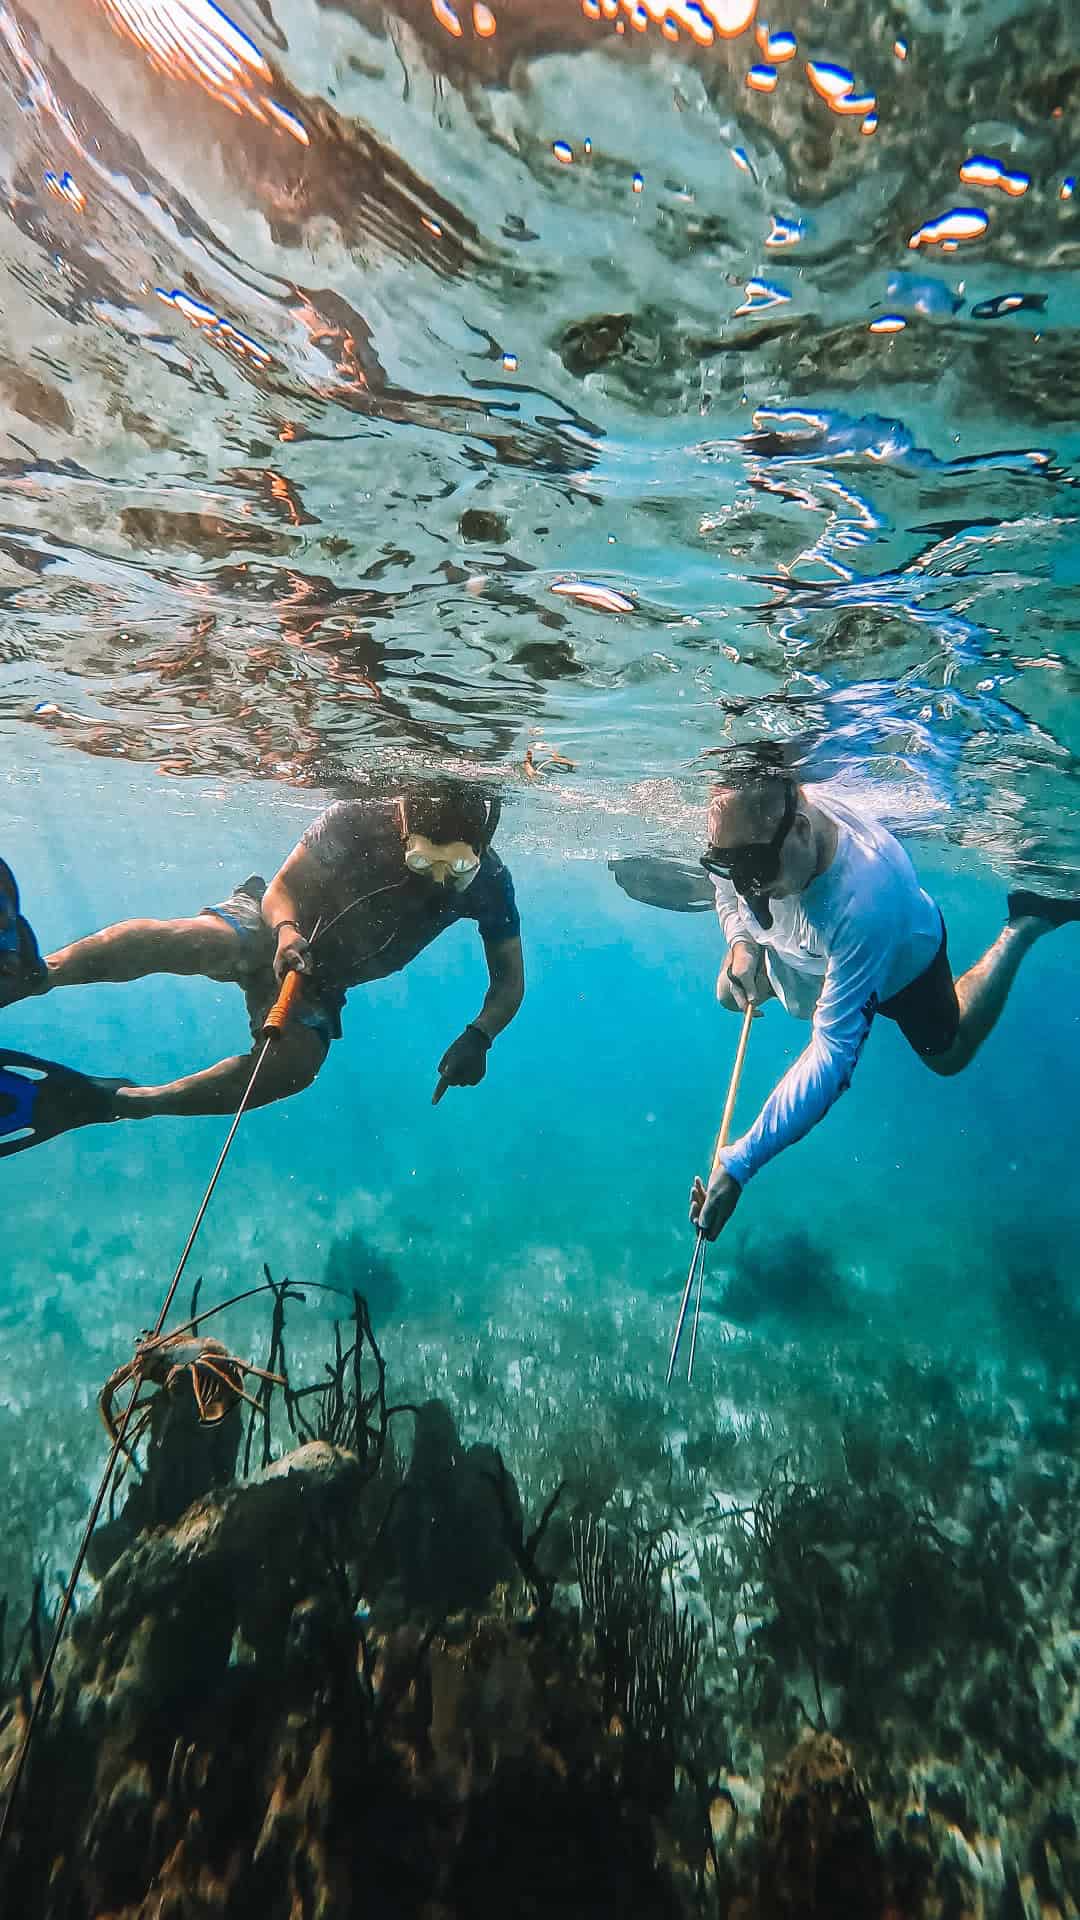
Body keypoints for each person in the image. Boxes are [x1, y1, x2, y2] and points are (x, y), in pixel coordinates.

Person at [0, 786, 524, 1155]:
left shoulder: (491, 883)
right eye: (423, 861)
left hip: (321, 982)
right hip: (271, 924)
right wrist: (287, 933)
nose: (438, 879)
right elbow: (282, 890)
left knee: (293, 1068)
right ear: (405, 828)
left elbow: (509, 980)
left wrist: (480, 1036)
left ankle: (123, 1101)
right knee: (206, 943)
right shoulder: (356, 819)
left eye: (458, 868)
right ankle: (38, 975)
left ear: (480, 853)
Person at [689, 764, 1080, 1241]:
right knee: (729, 993)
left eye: (754, 871)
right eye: (727, 865)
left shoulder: (865, 898)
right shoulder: (755, 841)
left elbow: (833, 1055)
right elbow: (727, 888)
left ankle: (1027, 922)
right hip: (807, 954)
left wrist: (740, 1164)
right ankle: (776, 960)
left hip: (901, 969)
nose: (745, 887)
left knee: (949, 1055)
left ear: (802, 831)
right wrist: (740, 943)